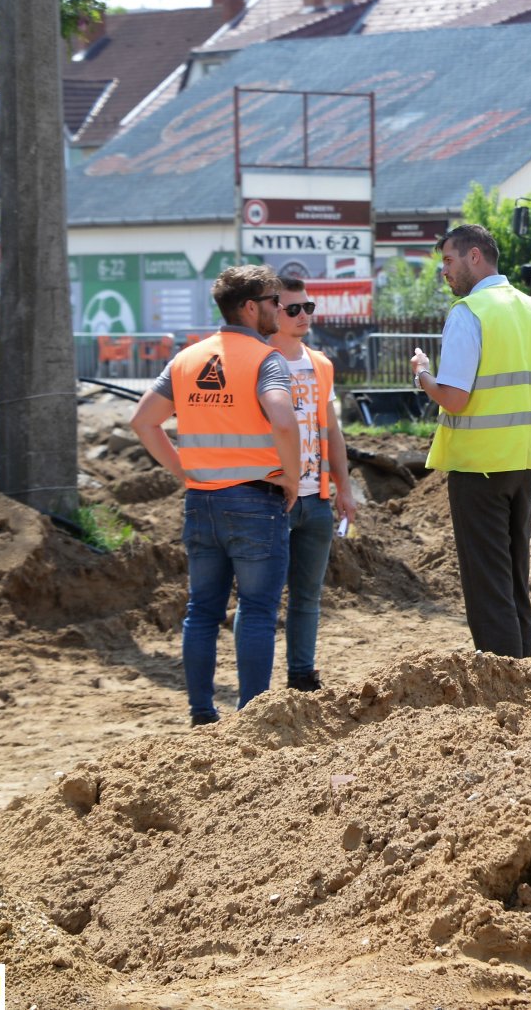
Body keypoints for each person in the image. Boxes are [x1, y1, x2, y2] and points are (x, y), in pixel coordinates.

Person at [410, 224, 531, 658]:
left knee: (487, 587)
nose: (445, 271)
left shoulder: (469, 312)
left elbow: (454, 399)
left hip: (477, 468)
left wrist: (422, 374)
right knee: (514, 582)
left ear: (475, 256)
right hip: (522, 466)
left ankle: (504, 690)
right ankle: (526, 679)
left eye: (448, 260)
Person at [128, 265, 301, 726]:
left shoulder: (187, 359)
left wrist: (186, 471)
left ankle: (202, 714)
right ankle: (250, 718)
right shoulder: (266, 360)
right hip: (254, 501)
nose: (280, 310)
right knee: (258, 610)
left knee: (201, 612)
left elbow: (144, 421)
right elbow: (283, 421)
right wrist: (292, 476)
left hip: (201, 501)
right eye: (273, 302)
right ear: (250, 307)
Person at [267, 276, 358, 692]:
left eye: (309, 308)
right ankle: (255, 687)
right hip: (271, 497)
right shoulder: (259, 359)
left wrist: (344, 488)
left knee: (307, 597)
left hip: (316, 498)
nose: (304, 316)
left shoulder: (320, 364)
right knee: (262, 602)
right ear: (272, 311)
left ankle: (302, 677)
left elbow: (332, 430)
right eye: (293, 309)